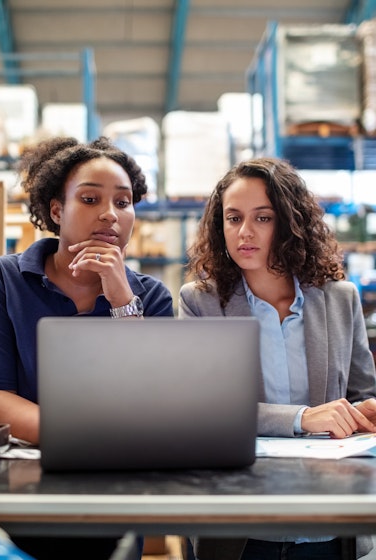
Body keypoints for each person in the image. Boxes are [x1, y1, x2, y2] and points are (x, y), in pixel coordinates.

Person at [0, 135, 174, 560]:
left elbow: (153, 401)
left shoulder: (152, 297)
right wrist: (73, 437)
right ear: (57, 211)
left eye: (123, 202)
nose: (110, 215)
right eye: (91, 199)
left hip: (113, 491)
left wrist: (121, 300)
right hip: (20, 490)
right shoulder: (3, 280)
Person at [178, 157, 376, 560]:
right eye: (232, 219)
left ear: (289, 223)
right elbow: (203, 413)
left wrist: (364, 414)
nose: (244, 232)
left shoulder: (340, 299)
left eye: (262, 218)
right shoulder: (201, 303)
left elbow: (362, 395)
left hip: (329, 527)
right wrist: (302, 418)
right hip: (240, 530)